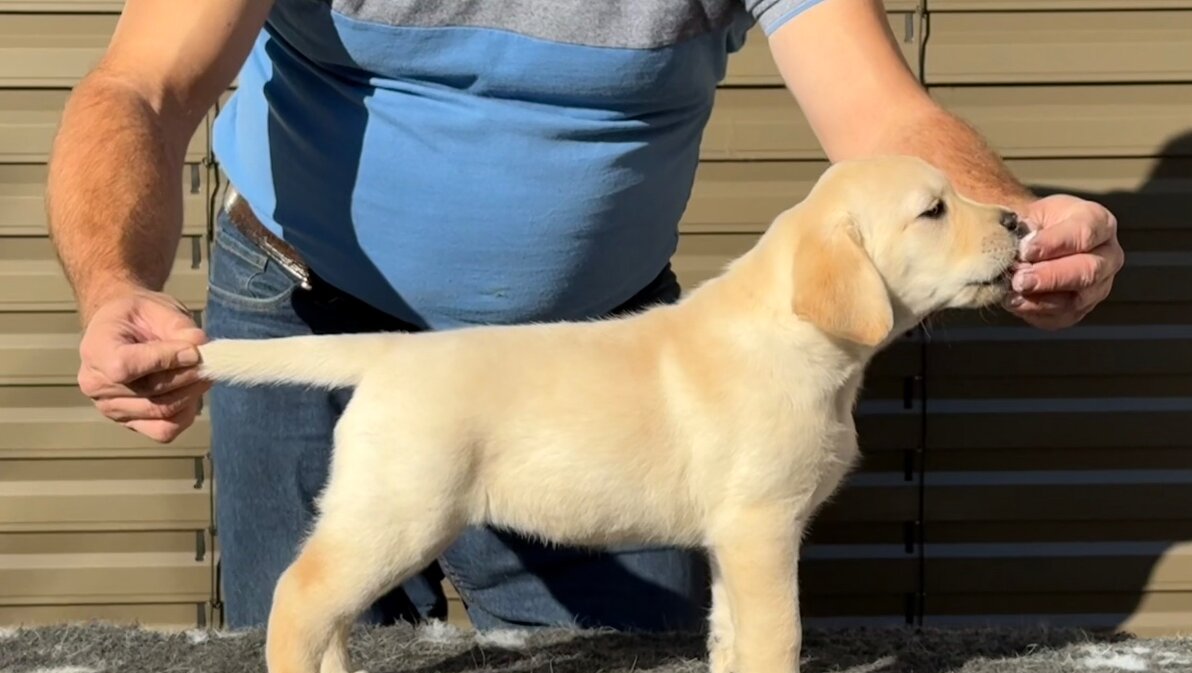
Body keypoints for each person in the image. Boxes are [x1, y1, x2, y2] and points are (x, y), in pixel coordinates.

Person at [47, 0, 1124, 631]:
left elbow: (885, 118)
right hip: (307, 318)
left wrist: (1016, 228)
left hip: (594, 369)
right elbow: (141, 88)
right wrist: (116, 286)